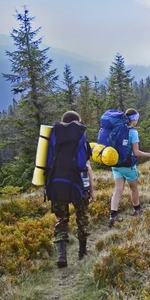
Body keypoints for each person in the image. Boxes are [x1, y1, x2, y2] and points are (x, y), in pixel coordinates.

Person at [50, 110, 95, 268]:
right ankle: (82, 252)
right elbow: (87, 167)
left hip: (57, 184)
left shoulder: (54, 138)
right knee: (82, 218)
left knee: (61, 219)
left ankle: (62, 255)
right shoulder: (81, 139)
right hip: (77, 184)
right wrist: (92, 190)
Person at [109, 108, 150, 227]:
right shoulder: (132, 132)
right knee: (134, 188)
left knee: (118, 190)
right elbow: (136, 152)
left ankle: (112, 216)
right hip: (128, 166)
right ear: (134, 119)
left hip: (116, 164)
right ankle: (137, 209)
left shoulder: (116, 129)